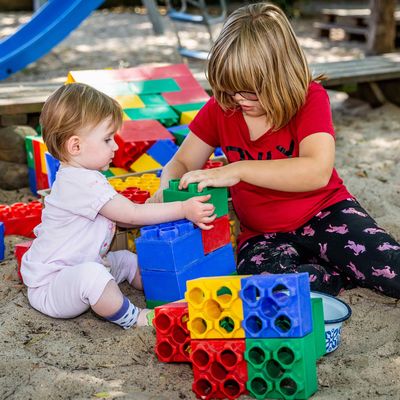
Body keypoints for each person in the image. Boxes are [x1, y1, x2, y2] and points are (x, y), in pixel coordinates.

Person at [150, 2, 400, 298]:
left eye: (249, 91)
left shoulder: (309, 99)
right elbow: (181, 162)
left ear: (281, 78)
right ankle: (333, 272)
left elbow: (316, 171)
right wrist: (169, 191)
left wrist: (238, 170)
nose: (238, 99)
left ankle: (335, 264)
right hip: (262, 235)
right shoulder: (223, 108)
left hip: (327, 213)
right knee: (269, 288)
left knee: (391, 270)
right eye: (230, 90)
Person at [21, 83, 216, 329]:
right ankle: (132, 317)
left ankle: (163, 289)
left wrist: (147, 209)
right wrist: (183, 208)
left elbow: (123, 217)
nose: (115, 146)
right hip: (52, 285)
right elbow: (131, 215)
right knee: (93, 276)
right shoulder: (80, 183)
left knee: (124, 259)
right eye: (107, 139)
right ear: (76, 146)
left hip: (79, 266)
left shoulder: (84, 176)